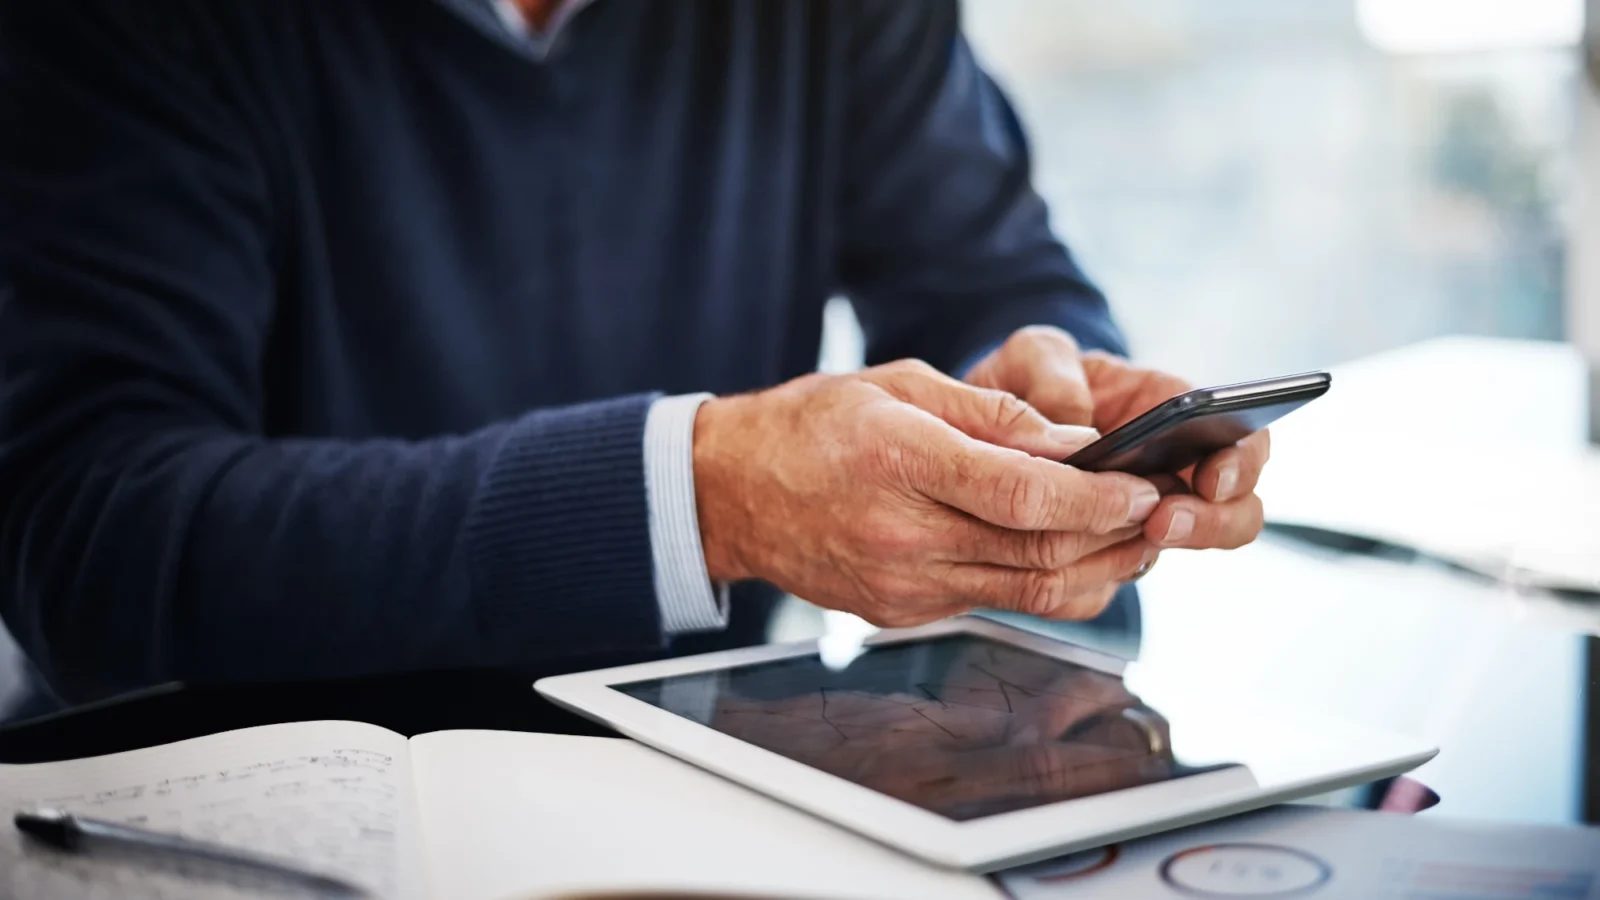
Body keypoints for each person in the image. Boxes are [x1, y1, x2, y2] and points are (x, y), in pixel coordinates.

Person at [0, 0, 1269, 717]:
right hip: (271, 794)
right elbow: (87, 529)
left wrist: (1049, 400)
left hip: (710, 767)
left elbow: (994, 277)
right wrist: (702, 494)